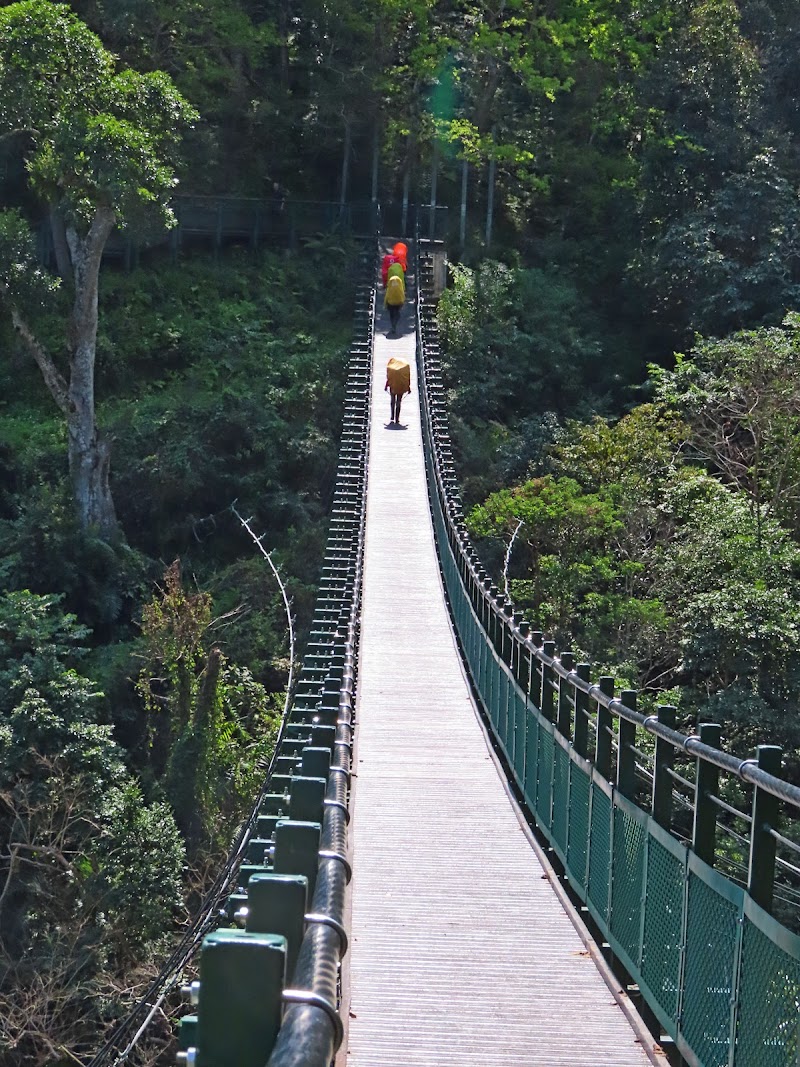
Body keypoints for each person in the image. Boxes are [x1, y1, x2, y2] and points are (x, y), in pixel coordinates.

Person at [385, 356, 411, 424]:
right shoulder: (404, 370)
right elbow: (407, 379)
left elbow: (389, 378)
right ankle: (397, 418)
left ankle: (392, 416)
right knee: (398, 402)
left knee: (392, 400)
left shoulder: (392, 370)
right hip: (401, 387)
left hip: (393, 386)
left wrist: (386, 386)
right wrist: (408, 388)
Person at [384, 270, 405, 335]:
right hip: (398, 301)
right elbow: (402, 292)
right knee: (397, 313)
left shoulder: (390, 282)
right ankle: (394, 325)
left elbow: (387, 293)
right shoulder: (400, 282)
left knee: (391, 314)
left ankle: (393, 325)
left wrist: (385, 303)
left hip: (390, 301)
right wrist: (403, 301)